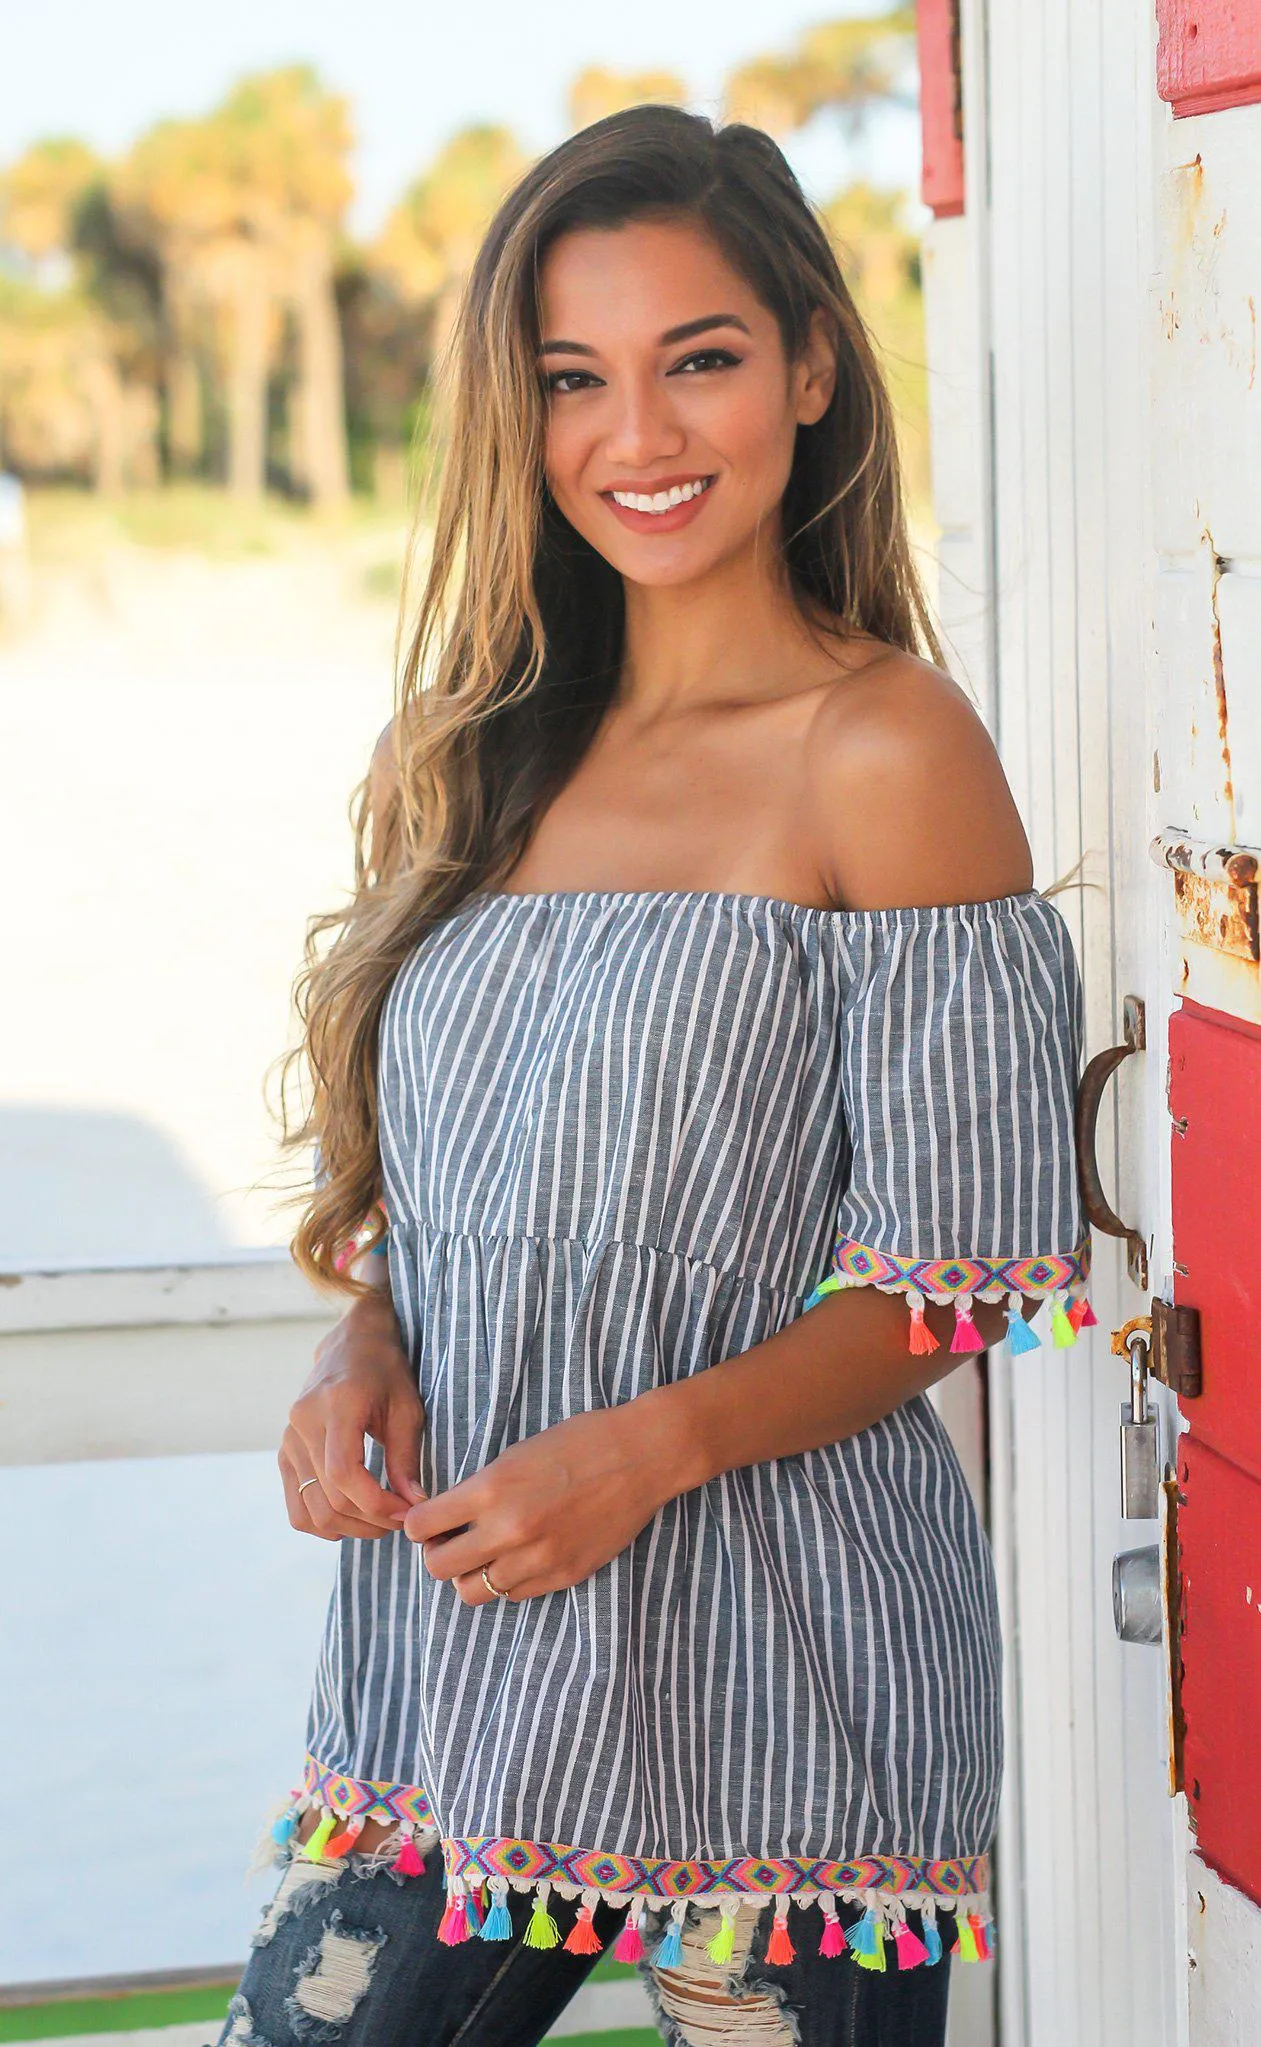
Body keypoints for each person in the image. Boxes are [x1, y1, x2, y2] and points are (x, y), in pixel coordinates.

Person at [222, 106, 1091, 2047]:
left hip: (781, 1682)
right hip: (465, 1660)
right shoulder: (473, 748)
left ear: (802, 365)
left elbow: (961, 1281)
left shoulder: (883, 749)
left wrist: (641, 1453)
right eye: (571, 380)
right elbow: (451, 1182)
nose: (639, 436)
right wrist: (364, 1346)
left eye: (697, 359)